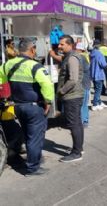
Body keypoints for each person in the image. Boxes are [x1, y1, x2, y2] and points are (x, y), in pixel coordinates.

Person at [0, 38, 54, 176]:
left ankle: (34, 159)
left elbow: (2, 81)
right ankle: (32, 167)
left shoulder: (7, 64)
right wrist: (48, 101)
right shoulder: (35, 66)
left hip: (18, 107)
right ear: (32, 49)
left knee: (28, 135)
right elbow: (47, 84)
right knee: (34, 137)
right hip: (34, 107)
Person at [57, 35, 84, 162]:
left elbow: (72, 80)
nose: (59, 46)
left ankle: (76, 153)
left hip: (72, 96)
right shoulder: (69, 57)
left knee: (74, 124)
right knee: (77, 123)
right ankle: (78, 148)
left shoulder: (72, 58)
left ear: (70, 44)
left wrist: (61, 91)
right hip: (74, 95)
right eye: (59, 44)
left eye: (62, 44)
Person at [75, 42, 91, 127]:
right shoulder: (86, 56)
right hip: (87, 83)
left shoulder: (80, 57)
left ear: (78, 49)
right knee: (85, 104)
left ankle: (81, 123)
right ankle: (85, 121)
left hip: (82, 84)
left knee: (81, 104)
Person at [90, 39, 107, 111]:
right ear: (99, 45)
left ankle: (99, 102)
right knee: (98, 90)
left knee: (97, 89)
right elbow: (103, 64)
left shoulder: (91, 53)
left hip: (93, 74)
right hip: (99, 74)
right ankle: (95, 104)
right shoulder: (99, 54)